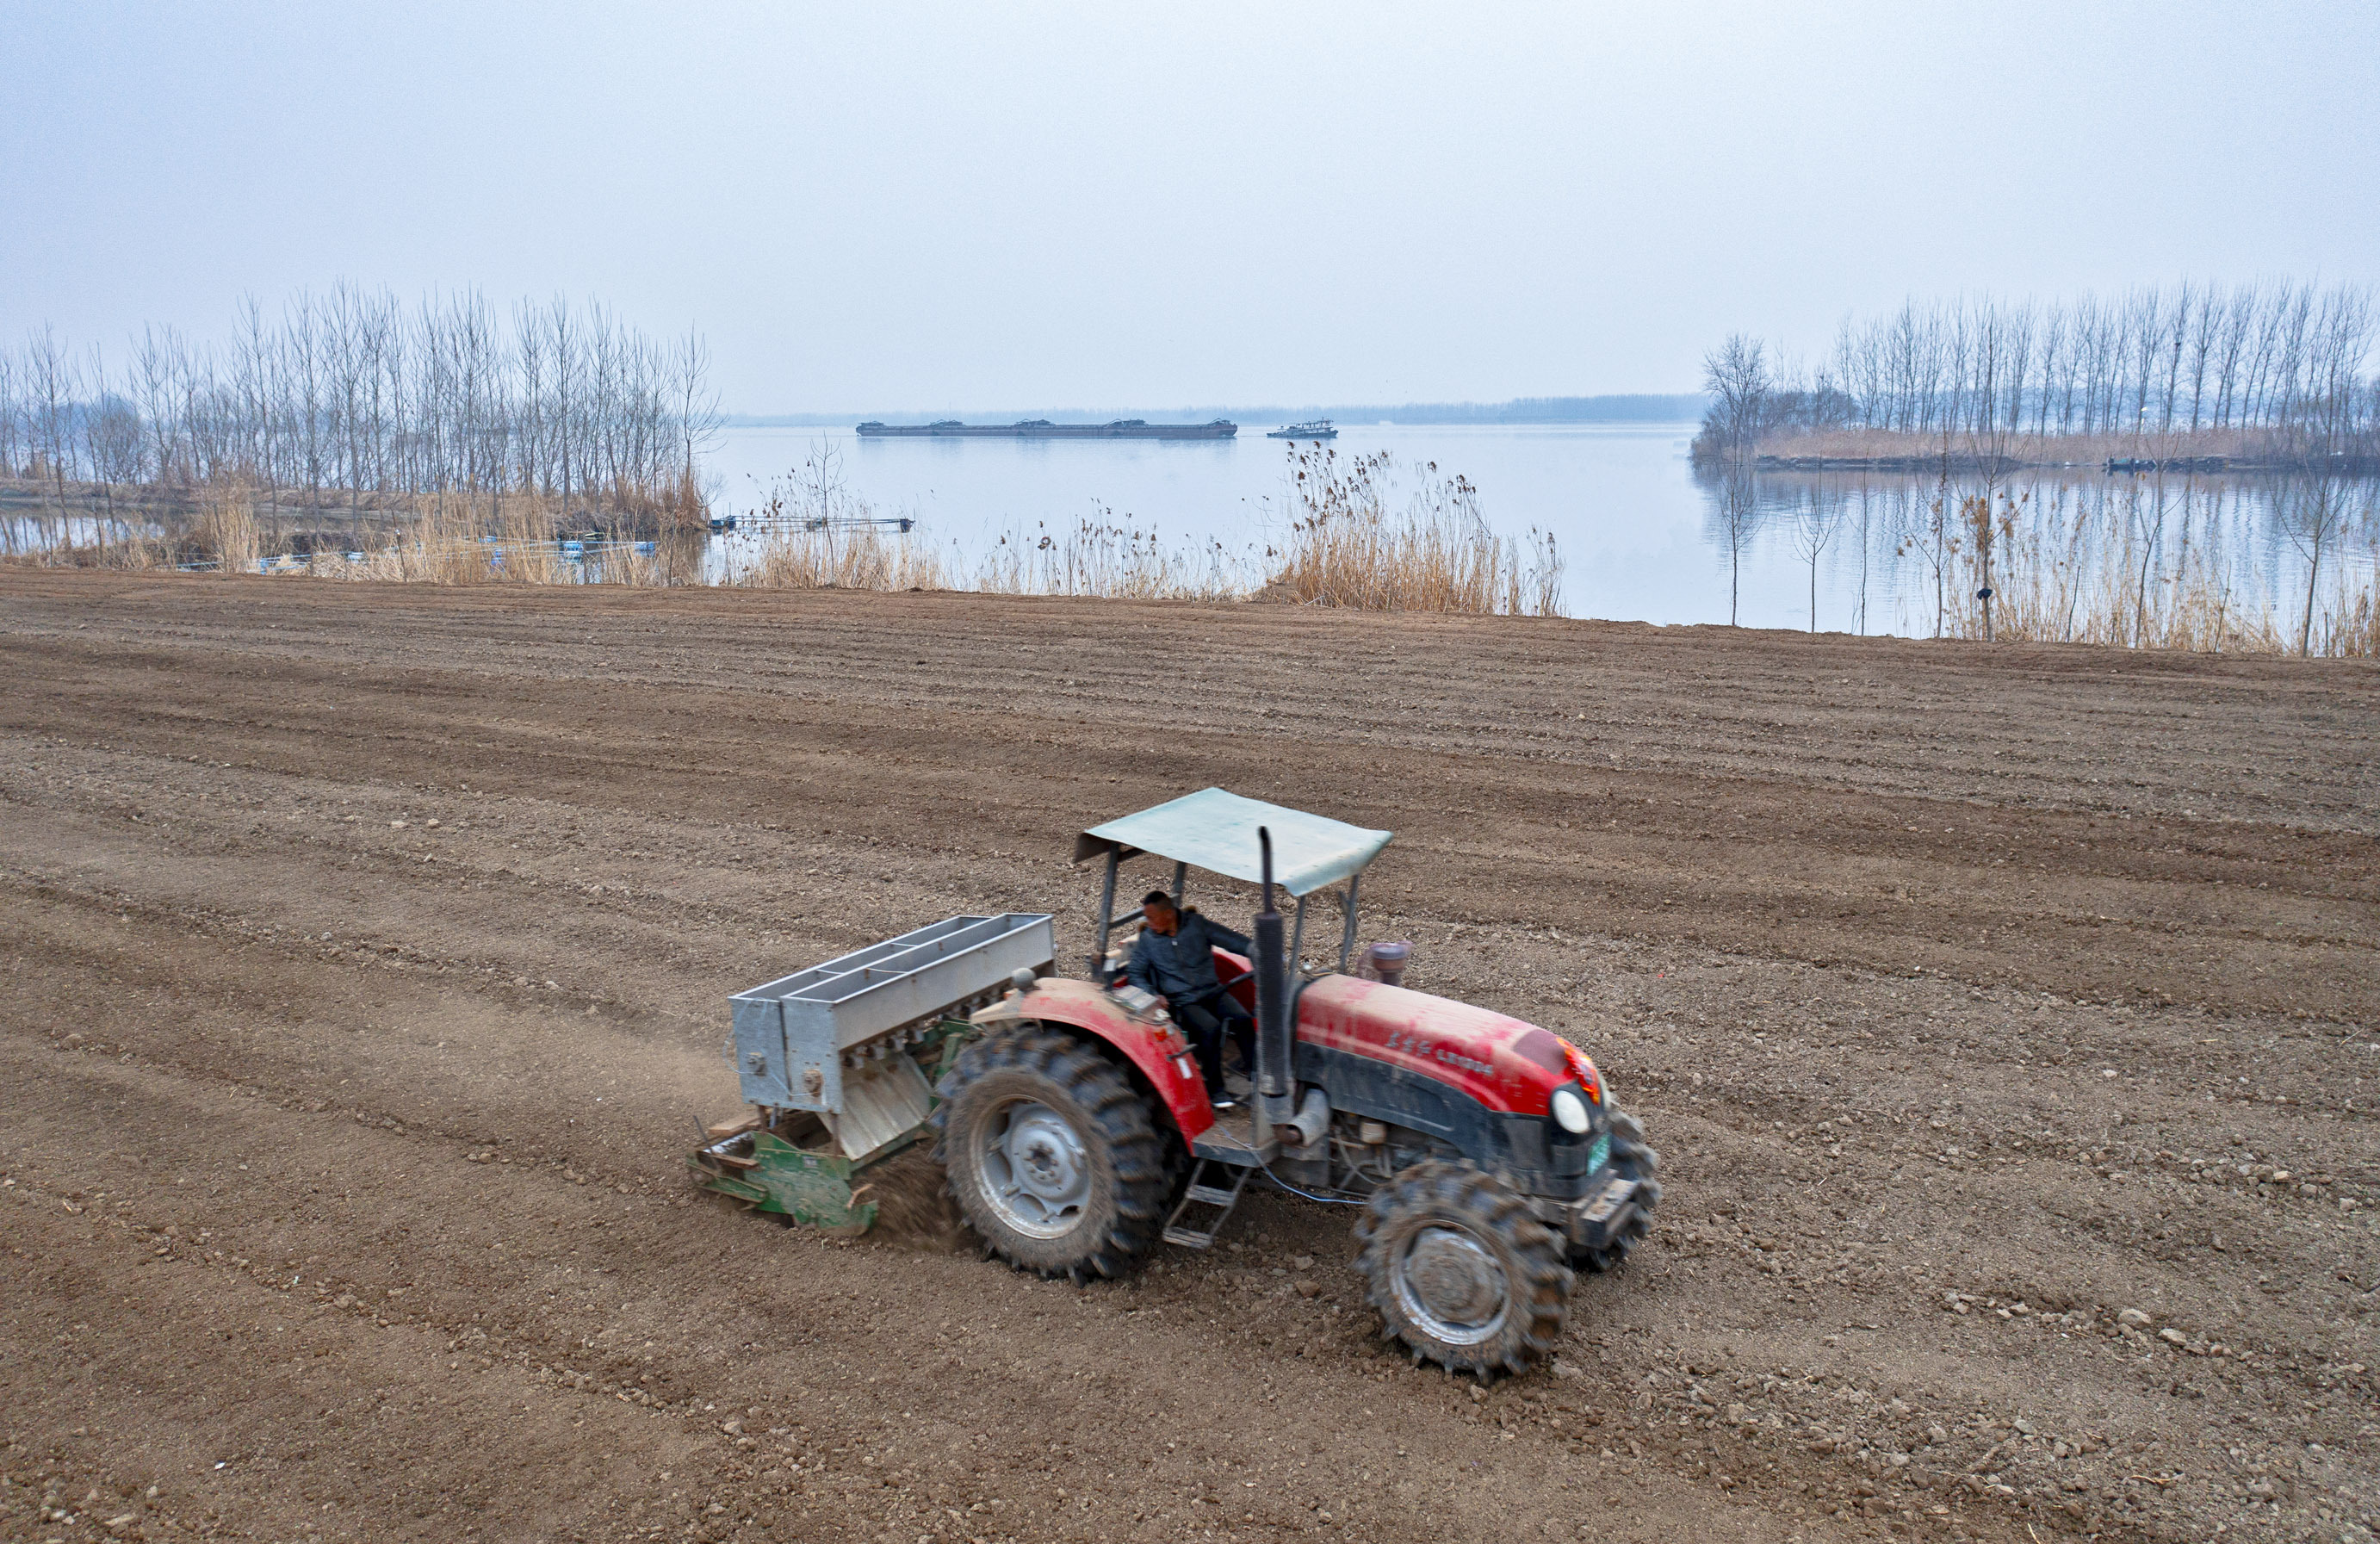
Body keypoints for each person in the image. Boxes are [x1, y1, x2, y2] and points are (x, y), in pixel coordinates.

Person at [1125, 890, 1257, 1109]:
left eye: (1151, 917)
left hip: (1212, 991)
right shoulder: (1148, 940)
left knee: (1242, 1018)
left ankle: (1256, 1073)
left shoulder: (1197, 925)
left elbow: (1232, 941)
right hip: (1183, 1000)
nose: (1147, 923)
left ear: (1168, 914)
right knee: (1210, 1029)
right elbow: (1136, 973)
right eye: (1145, 918)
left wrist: (1254, 949)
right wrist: (1153, 994)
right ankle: (1216, 1090)